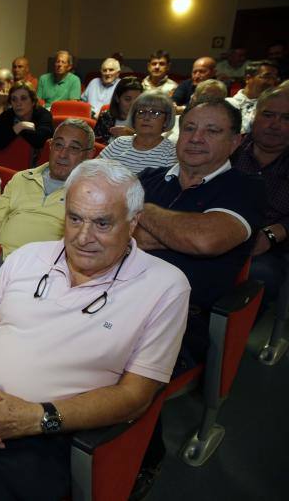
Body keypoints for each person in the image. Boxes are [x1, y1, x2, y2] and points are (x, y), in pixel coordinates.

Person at [0, 159, 190, 500]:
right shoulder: (29, 257)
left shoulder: (165, 286)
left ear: (133, 222)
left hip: (48, 430)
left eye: (102, 223)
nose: (83, 237)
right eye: (74, 218)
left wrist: (36, 417)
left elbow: (134, 396)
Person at [132, 98, 265, 497]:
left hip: (184, 315)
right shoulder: (152, 176)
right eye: (189, 127)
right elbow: (116, 235)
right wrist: (173, 233)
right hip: (117, 293)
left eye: (212, 130)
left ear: (236, 141)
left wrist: (144, 215)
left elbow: (205, 239)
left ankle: (141, 458)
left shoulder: (246, 188)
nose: (196, 138)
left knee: (110, 355)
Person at [230, 86, 289, 352]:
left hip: (272, 244)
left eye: (286, 118)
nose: (275, 124)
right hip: (222, 229)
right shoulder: (232, 147)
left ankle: (227, 346)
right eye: (269, 115)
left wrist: (275, 233)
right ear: (255, 115)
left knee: (258, 274)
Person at [0, 119, 94, 257]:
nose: (63, 154)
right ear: (50, 146)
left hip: (45, 270)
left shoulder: (90, 194)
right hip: (1, 260)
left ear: (89, 155)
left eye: (74, 148)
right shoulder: (22, 178)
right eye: (58, 145)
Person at [99, 92, 177, 174]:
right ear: (133, 118)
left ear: (166, 120)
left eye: (155, 113)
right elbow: (92, 170)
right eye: (141, 112)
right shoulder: (119, 142)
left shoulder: (171, 152)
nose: (146, 117)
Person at [0, 81, 54, 159]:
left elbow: (40, 141)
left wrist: (19, 130)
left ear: (33, 101)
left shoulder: (44, 114)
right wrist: (20, 126)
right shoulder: (7, 115)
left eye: (23, 98)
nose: (18, 103)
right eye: (14, 99)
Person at [226, 60, 280, 132]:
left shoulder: (273, 108)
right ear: (248, 78)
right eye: (266, 77)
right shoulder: (227, 104)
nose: (271, 82)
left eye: (274, 78)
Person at [93, 77, 143, 144]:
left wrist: (132, 135)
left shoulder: (145, 118)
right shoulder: (106, 117)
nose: (133, 105)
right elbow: (96, 144)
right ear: (117, 98)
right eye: (127, 99)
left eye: (137, 100)